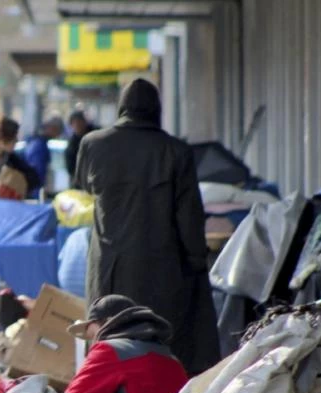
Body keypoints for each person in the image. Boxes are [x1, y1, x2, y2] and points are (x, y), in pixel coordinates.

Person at [74, 78, 221, 376]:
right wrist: (196, 264)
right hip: (162, 270)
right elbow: (189, 216)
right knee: (162, 348)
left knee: (111, 344)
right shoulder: (176, 152)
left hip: (108, 270)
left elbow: (84, 187)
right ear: (156, 109)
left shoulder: (92, 145)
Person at [63, 295, 189, 393]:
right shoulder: (172, 360)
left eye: (91, 335)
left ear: (104, 324)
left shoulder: (109, 351)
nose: (93, 342)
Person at [19, 115, 63, 199]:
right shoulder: (39, 146)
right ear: (51, 128)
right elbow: (38, 172)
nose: (57, 135)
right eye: (57, 130)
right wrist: (38, 195)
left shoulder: (34, 142)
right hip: (34, 192)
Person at [64, 110, 97, 181]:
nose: (77, 125)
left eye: (79, 122)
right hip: (80, 180)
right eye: (74, 123)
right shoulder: (72, 142)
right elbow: (70, 165)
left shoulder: (95, 135)